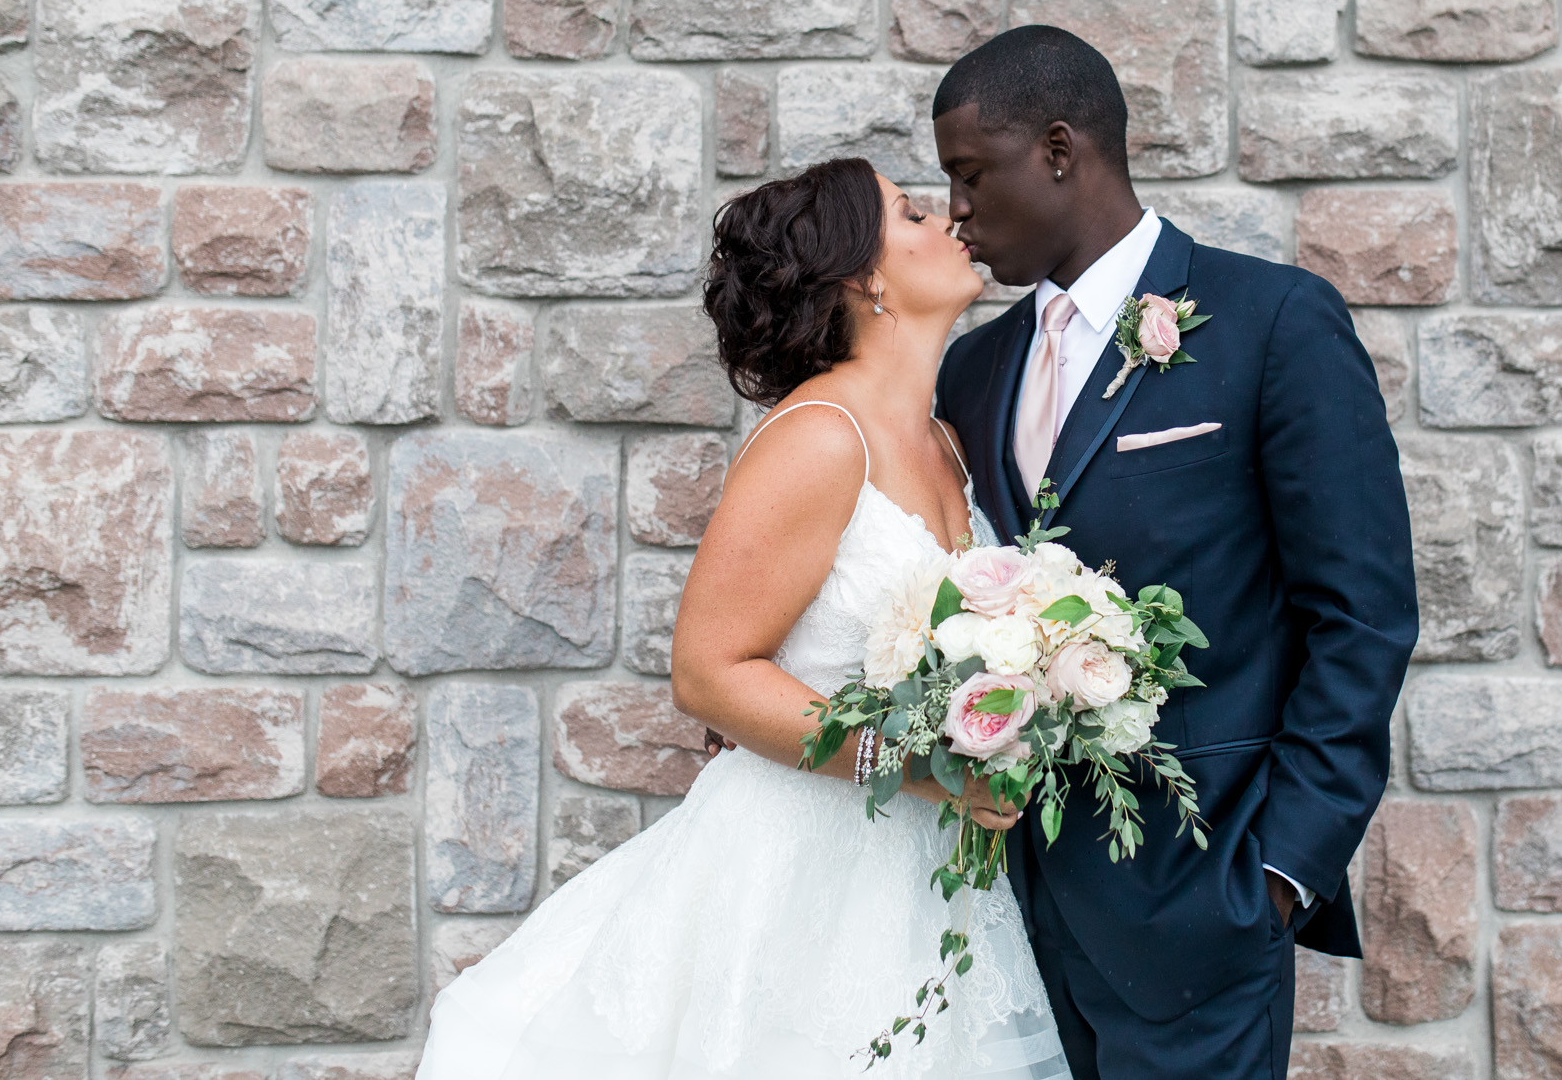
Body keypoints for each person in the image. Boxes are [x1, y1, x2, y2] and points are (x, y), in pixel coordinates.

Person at [415, 158, 1072, 1080]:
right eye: (912, 213)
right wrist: (919, 764)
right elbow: (710, 672)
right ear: (864, 276)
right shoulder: (819, 437)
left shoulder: (947, 442)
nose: (949, 221)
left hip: (923, 878)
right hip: (798, 872)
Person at [929, 26, 1418, 1080]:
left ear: (1059, 150)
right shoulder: (969, 374)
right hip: (1011, 925)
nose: (955, 210)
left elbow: (1361, 615)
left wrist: (1279, 871)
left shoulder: (1271, 323)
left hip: (1202, 904)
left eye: (970, 175)